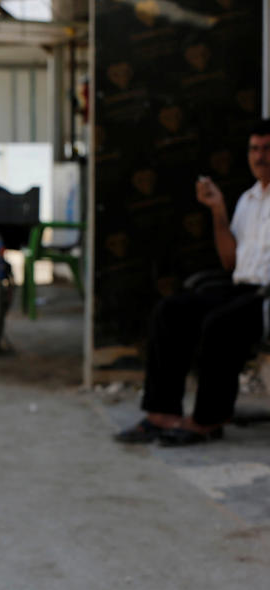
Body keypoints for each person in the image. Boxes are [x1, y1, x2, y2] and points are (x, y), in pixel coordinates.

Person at [115, 119, 270, 446]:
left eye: (267, 149)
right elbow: (230, 262)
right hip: (241, 287)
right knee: (170, 310)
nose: (259, 157)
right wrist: (217, 210)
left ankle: (208, 419)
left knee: (220, 324)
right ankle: (162, 412)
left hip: (265, 297)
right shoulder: (248, 199)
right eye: (254, 149)